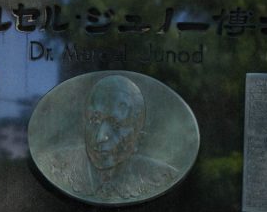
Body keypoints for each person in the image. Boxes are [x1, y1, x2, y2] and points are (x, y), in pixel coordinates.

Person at [42, 75, 178, 204]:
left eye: (115, 125)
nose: (100, 137)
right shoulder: (53, 166)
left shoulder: (163, 177)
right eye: (94, 120)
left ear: (139, 138)